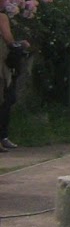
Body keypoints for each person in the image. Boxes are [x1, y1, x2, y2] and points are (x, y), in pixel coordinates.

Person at [0, 8, 25, 151]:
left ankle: (3, 137)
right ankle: (2, 137)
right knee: (6, 100)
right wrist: (20, 45)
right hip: (2, 67)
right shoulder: (2, 17)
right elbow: (8, 39)